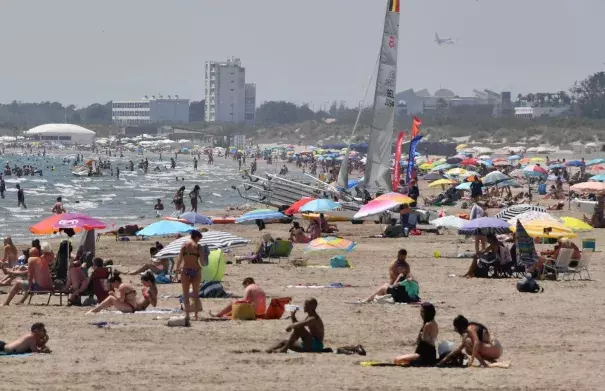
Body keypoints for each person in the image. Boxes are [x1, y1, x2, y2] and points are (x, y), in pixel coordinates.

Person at [438, 315, 503, 368]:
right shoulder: (469, 330)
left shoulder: (470, 328)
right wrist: (444, 360)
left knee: (469, 344)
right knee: (468, 347)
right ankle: (491, 361)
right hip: (495, 348)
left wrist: (472, 359)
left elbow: (476, 342)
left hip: (494, 347)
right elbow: (459, 348)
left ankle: (483, 363)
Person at [175, 230, 209, 323]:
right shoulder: (199, 247)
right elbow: (202, 263)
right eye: (199, 239)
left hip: (185, 270)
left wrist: (176, 273)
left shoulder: (184, 245)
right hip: (196, 270)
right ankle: (196, 315)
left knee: (185, 294)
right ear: (197, 237)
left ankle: (187, 315)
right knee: (195, 294)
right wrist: (206, 256)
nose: (199, 241)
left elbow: (179, 260)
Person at [87, 270, 158, 314]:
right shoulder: (151, 288)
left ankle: (95, 310)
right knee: (112, 298)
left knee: (111, 298)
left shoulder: (153, 290)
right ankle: (97, 309)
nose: (143, 285)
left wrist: (148, 295)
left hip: (137, 308)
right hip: (135, 306)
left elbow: (154, 304)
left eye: (144, 283)